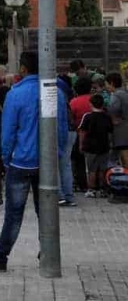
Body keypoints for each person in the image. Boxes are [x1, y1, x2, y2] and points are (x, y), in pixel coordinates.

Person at [0, 51, 68, 272]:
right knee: (44, 211)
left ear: (24, 69)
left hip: (21, 162)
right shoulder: (56, 94)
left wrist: (7, 158)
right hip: (46, 163)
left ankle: (0, 257)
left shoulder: (16, 94)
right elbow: (62, 129)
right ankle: (48, 250)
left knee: (13, 215)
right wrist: (58, 155)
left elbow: (8, 133)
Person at [61, 76, 92, 206]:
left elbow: (70, 118)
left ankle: (77, 184)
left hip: (77, 134)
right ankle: (90, 186)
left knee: (73, 161)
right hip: (95, 135)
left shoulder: (74, 102)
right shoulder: (95, 100)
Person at [79, 94, 112, 198]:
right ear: (102, 104)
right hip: (104, 146)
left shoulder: (87, 116)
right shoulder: (107, 117)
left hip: (90, 147)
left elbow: (82, 132)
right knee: (103, 169)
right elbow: (110, 132)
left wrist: (81, 144)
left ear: (90, 104)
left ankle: (91, 190)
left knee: (91, 170)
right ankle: (103, 189)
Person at [106, 73, 128, 169]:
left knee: (124, 155)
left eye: (106, 84)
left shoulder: (116, 95)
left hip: (121, 129)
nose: (106, 87)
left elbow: (113, 109)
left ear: (111, 83)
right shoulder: (125, 92)